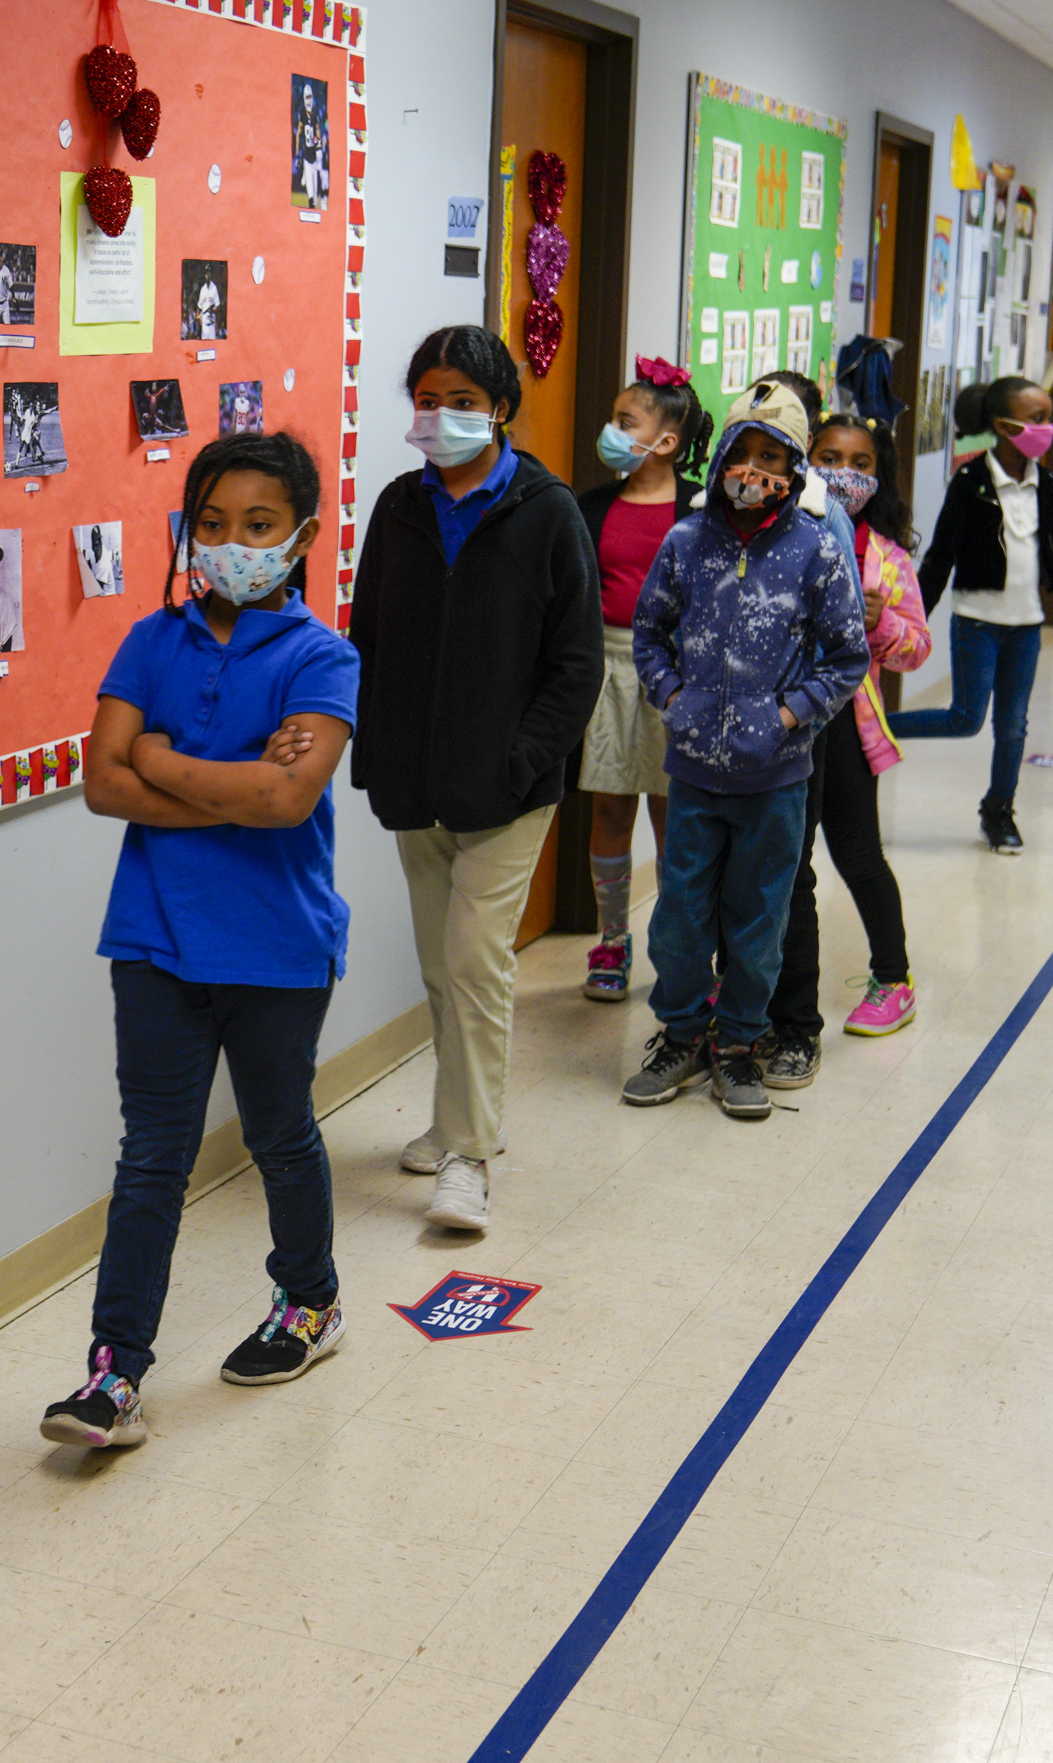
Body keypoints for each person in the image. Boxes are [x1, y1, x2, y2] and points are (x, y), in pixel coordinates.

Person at [46, 432, 362, 1449]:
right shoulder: (150, 639)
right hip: (153, 938)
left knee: (278, 1135)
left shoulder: (322, 657)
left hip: (276, 942)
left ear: (302, 535)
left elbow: (285, 797)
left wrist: (160, 757)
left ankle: (309, 1302)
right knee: (151, 1158)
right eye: (213, 524)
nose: (231, 544)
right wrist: (222, 782)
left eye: (258, 526)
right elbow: (102, 783)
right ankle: (113, 1375)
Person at [346, 325, 597, 1238]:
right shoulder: (398, 508)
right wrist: (370, 754)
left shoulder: (546, 510)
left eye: (459, 399)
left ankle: (469, 1158)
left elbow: (575, 667)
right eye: (425, 397)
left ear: (500, 409)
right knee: (438, 966)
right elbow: (367, 638)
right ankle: (455, 1118)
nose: (440, 416)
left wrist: (524, 759)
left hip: (507, 789)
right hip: (416, 782)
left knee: (477, 961)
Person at [622, 379, 870, 1121]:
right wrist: (673, 699)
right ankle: (682, 1036)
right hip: (693, 775)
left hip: (776, 779)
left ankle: (740, 1046)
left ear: (796, 469)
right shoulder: (685, 542)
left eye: (774, 458)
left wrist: (792, 716)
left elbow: (846, 657)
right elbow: (648, 634)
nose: (754, 471)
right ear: (722, 455)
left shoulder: (816, 551)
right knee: (679, 920)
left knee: (759, 925)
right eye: (742, 454)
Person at [772, 409, 931, 1079]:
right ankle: (762, 985)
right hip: (780, 723)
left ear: (879, 475)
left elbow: (917, 649)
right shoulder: (782, 533)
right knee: (782, 862)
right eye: (828, 456)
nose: (843, 472)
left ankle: (892, 978)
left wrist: (882, 621)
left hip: (844, 726)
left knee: (858, 855)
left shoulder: (886, 558)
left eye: (860, 463)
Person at [898, 372, 1053, 852]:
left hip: (1025, 627)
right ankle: (874, 727)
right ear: (1004, 427)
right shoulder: (970, 483)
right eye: (1038, 419)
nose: (1047, 428)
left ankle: (999, 811)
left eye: (1048, 418)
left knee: (1012, 727)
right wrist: (913, 617)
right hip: (978, 623)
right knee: (965, 718)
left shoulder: (1045, 484)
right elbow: (941, 554)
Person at [577, 358, 709, 1005]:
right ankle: (611, 940)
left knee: (672, 815)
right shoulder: (591, 505)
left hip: (676, 674)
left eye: (625, 422)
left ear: (666, 442)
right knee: (608, 806)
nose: (612, 431)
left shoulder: (699, 509)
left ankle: (676, 944)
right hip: (607, 669)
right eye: (613, 419)